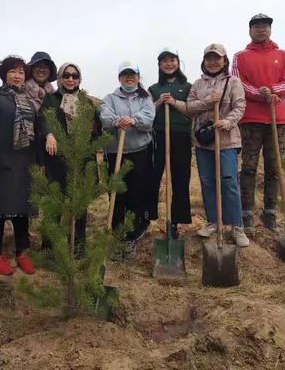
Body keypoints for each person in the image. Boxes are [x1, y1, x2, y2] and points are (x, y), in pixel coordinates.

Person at [232, 13, 285, 232]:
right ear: (250, 31)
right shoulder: (240, 57)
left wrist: (273, 91)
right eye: (257, 26)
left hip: (277, 119)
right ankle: (246, 213)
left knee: (274, 168)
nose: (261, 29)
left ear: (270, 30)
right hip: (251, 120)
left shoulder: (283, 55)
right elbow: (239, 83)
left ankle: (270, 213)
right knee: (248, 167)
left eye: (265, 26)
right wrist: (261, 93)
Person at [0, 56, 38, 276]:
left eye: (22, 72)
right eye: (13, 71)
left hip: (25, 161)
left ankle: (22, 254)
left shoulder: (29, 101)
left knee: (22, 211)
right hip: (3, 162)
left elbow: (36, 130)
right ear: (4, 74)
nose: (17, 75)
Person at [186, 44, 249, 247]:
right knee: (207, 182)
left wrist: (227, 121)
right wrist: (207, 101)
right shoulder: (197, 84)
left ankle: (237, 226)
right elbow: (190, 107)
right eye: (209, 58)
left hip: (226, 140)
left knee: (229, 182)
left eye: (217, 58)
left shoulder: (233, 82)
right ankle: (214, 222)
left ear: (224, 60)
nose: (213, 62)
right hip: (204, 142)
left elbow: (240, 106)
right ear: (204, 61)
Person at [37, 62, 101, 255]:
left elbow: (97, 130)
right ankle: (49, 248)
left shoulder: (86, 102)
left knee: (79, 206)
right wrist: (49, 134)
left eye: (74, 76)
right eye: (66, 75)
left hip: (82, 161)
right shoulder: (51, 99)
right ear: (60, 77)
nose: (70, 79)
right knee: (54, 204)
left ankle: (77, 246)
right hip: (57, 161)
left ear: (79, 79)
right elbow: (43, 120)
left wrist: (93, 128)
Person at [100, 62, 155, 259]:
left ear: (138, 77)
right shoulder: (110, 98)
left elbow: (149, 118)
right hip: (116, 153)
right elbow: (105, 117)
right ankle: (116, 235)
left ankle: (131, 235)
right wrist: (117, 121)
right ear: (119, 78)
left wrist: (134, 120)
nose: (129, 78)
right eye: (125, 75)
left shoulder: (145, 98)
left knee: (136, 194)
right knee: (117, 195)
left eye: (132, 75)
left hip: (139, 152)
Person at [148, 48, 192, 239]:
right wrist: (158, 102)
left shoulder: (188, 86)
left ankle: (175, 222)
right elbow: (147, 113)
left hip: (181, 136)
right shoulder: (153, 88)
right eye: (164, 61)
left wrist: (174, 102)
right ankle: (148, 216)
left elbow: (192, 111)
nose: (168, 63)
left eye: (172, 60)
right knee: (153, 177)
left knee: (180, 180)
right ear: (159, 65)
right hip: (158, 135)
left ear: (178, 62)